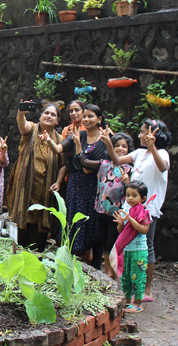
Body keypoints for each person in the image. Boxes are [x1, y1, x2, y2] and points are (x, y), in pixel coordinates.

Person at [101, 118, 171, 302]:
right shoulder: (139, 153)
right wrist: (108, 143)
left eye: (142, 132)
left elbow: (162, 167)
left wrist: (153, 147)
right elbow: (116, 160)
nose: (139, 135)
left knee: (145, 246)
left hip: (148, 208)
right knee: (127, 244)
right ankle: (130, 285)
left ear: (154, 134)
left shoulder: (162, 153)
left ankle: (146, 290)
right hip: (130, 206)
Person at [41, 104, 108, 265]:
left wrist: (89, 164)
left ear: (99, 119)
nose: (86, 119)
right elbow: (58, 149)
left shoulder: (105, 139)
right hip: (75, 184)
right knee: (73, 221)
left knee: (93, 223)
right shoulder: (78, 135)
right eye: (85, 116)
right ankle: (70, 263)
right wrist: (49, 140)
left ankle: (96, 266)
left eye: (90, 116)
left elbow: (105, 162)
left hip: (95, 185)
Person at [6, 103, 66, 252]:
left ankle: (35, 260)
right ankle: (17, 258)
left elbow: (64, 164)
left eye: (53, 115)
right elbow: (22, 125)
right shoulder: (32, 129)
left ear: (57, 121)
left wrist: (58, 182)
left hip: (45, 192)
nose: (49, 116)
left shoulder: (59, 139)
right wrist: (21, 113)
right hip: (25, 189)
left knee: (38, 229)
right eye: (46, 113)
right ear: (40, 116)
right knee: (22, 226)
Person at [75, 131, 133, 278]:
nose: (120, 149)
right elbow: (84, 162)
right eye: (116, 145)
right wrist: (77, 144)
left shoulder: (129, 168)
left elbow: (134, 191)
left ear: (128, 150)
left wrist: (127, 182)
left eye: (124, 146)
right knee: (105, 240)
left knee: (114, 241)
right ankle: (107, 271)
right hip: (101, 209)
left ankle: (114, 271)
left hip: (118, 211)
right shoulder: (103, 164)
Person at [112, 180, 151, 314]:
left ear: (143, 198)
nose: (130, 198)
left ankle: (138, 303)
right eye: (128, 195)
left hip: (139, 250)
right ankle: (127, 300)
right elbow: (121, 232)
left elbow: (144, 230)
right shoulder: (127, 211)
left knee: (137, 276)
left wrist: (131, 220)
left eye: (134, 195)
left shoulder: (144, 212)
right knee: (126, 276)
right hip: (127, 249)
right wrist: (121, 223)